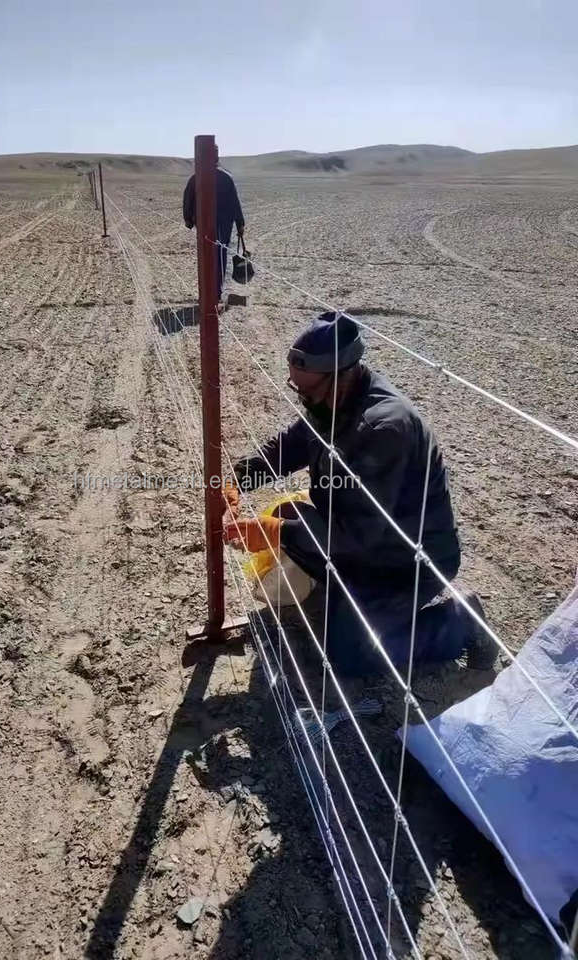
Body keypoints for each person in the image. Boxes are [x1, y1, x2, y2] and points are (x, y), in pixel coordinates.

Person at [223, 311, 498, 677]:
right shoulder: (332, 401)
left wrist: (275, 533)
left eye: (308, 392)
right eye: (297, 390)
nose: (303, 400)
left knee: (350, 653)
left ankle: (462, 622)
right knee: (290, 516)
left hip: (405, 562)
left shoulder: (384, 428)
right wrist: (237, 479)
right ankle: (351, 596)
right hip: (360, 537)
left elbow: (360, 535)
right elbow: (290, 446)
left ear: (341, 375)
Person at [183, 145, 245, 302]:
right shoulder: (225, 178)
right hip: (223, 227)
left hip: (205, 227)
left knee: (206, 257)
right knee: (220, 257)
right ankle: (216, 294)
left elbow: (187, 199)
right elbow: (235, 203)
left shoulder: (196, 178)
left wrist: (188, 219)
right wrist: (240, 223)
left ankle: (208, 294)